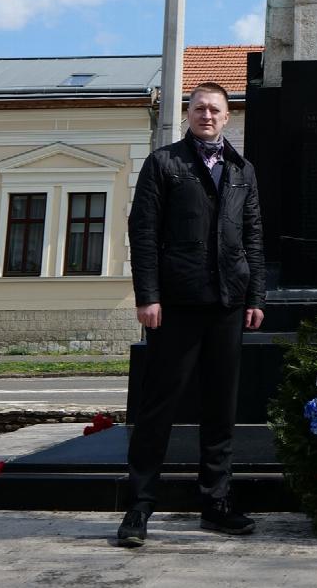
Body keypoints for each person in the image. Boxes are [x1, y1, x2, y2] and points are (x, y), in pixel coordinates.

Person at [117, 82, 266, 548]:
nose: (207, 115)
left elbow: (254, 236)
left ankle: (215, 502)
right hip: (176, 305)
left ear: (227, 117)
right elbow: (142, 232)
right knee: (159, 407)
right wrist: (148, 295)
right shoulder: (165, 164)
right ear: (188, 114)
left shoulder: (243, 170)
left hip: (227, 304)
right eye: (199, 108)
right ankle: (138, 508)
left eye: (215, 110)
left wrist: (256, 297)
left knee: (220, 408)